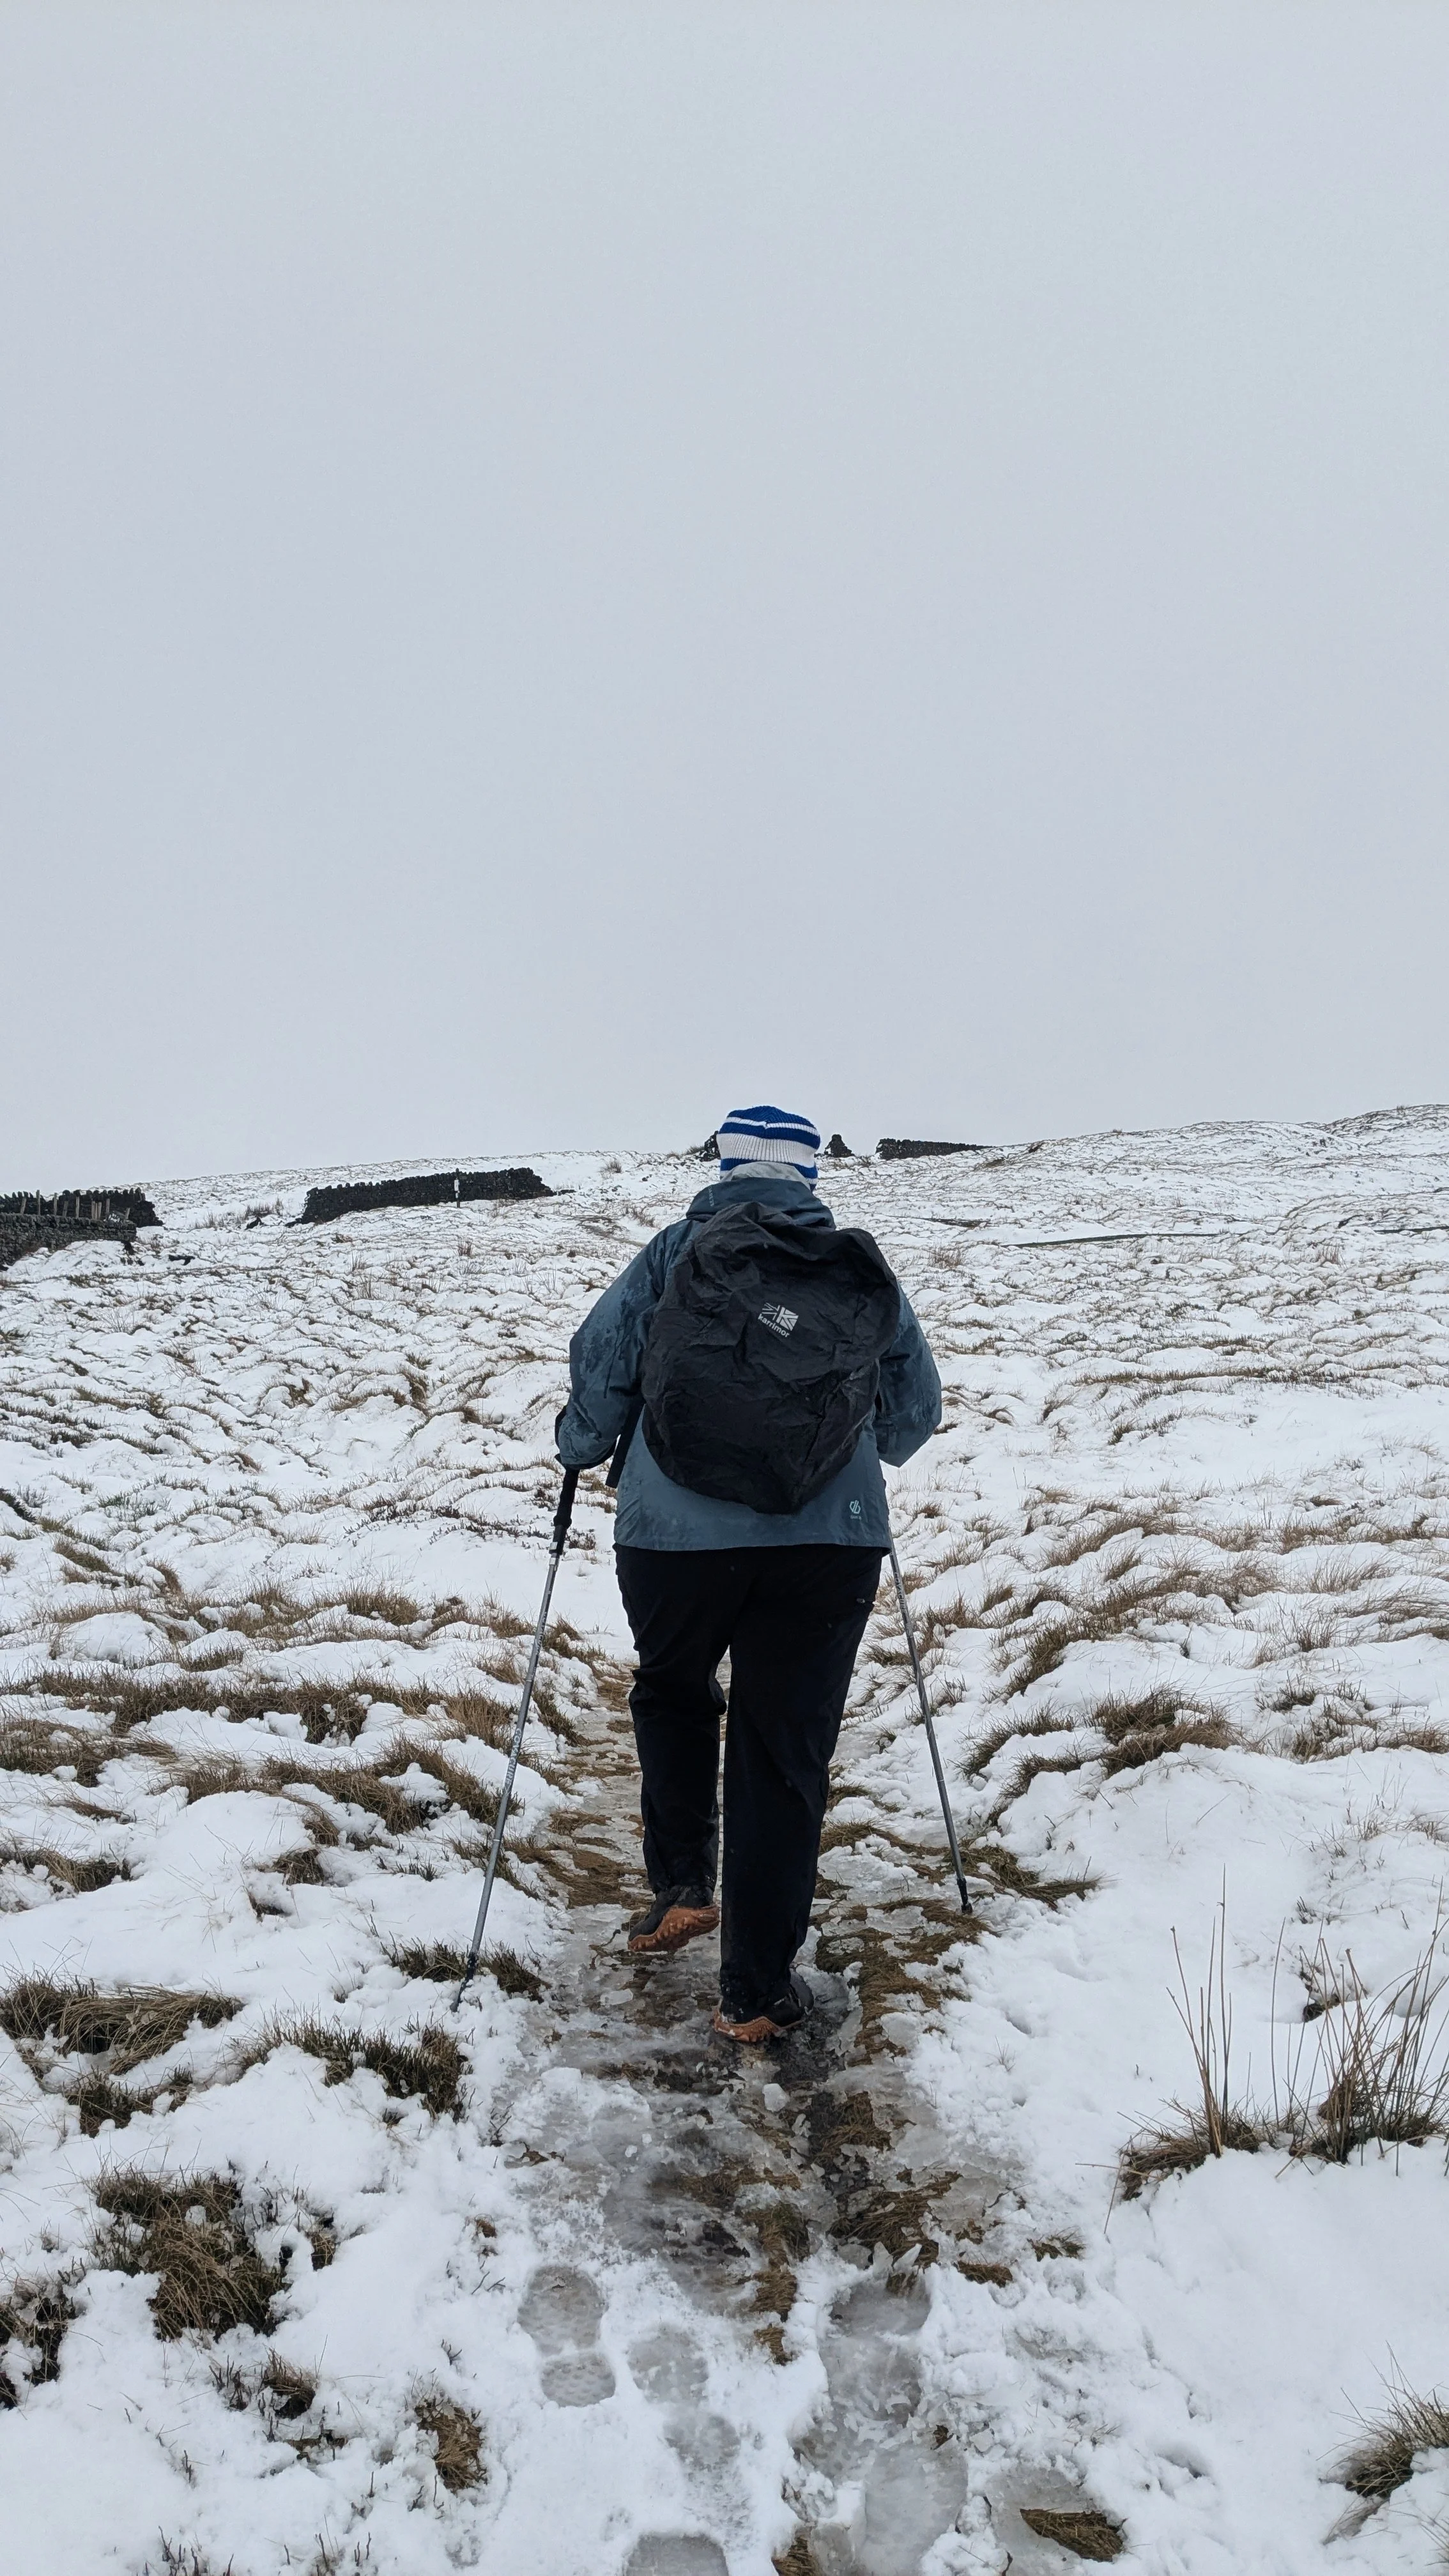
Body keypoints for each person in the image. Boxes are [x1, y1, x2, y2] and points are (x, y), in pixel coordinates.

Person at [556, 1105, 942, 2041]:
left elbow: (602, 1365)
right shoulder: (857, 1266)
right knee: (783, 1747)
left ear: (720, 1169)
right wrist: (856, 1457)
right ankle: (757, 1996)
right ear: (810, 1177)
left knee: (674, 1690)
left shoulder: (670, 1255)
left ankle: (684, 1881)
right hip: (827, 1543)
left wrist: (581, 1446)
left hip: (672, 1537)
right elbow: (914, 1411)